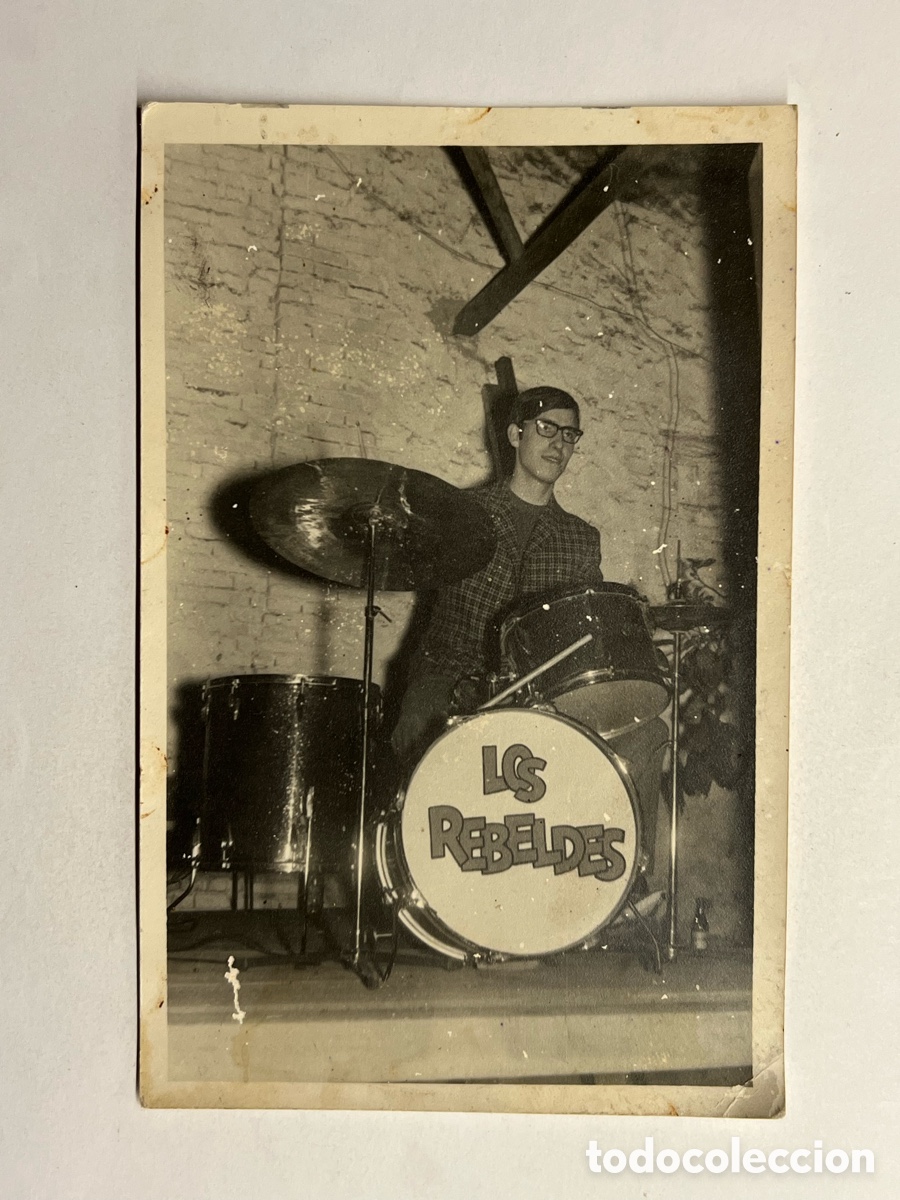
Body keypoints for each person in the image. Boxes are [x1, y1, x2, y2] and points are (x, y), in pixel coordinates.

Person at [391, 385, 668, 875]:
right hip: (453, 674)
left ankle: (631, 883)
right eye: (546, 428)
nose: (559, 442)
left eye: (570, 434)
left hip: (538, 693)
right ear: (515, 434)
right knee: (418, 727)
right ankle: (424, 876)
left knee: (647, 734)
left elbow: (582, 633)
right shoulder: (460, 512)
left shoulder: (580, 538)